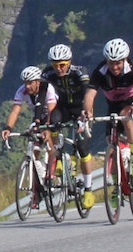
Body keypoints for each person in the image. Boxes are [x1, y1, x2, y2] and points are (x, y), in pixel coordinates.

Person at [82, 37, 133, 182]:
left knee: (126, 115)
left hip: (132, 103)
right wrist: (88, 111)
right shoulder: (100, 71)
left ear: (124, 59)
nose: (115, 67)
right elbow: (90, 94)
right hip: (113, 106)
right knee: (111, 146)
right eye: (111, 63)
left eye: (118, 63)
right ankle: (116, 188)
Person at [41, 43, 95, 209]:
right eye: (55, 65)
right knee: (53, 122)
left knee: (83, 148)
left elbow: (88, 93)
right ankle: (57, 156)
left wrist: (85, 114)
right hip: (62, 108)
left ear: (69, 61)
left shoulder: (80, 72)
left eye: (62, 64)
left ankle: (88, 189)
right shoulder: (47, 73)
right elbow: (42, 97)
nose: (59, 68)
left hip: (81, 108)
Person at [0, 65, 58, 209]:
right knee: (33, 150)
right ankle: (35, 191)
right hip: (37, 119)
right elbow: (15, 111)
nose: (27, 86)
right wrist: (8, 128)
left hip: (53, 115)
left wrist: (48, 129)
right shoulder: (22, 91)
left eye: (30, 82)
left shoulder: (48, 89)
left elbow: (51, 110)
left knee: (50, 142)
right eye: (25, 82)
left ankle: (52, 171)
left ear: (38, 81)